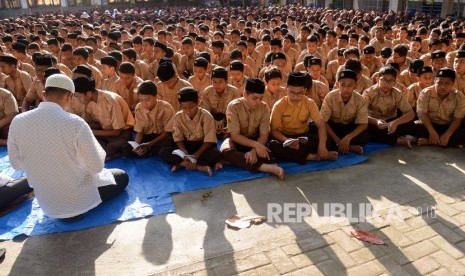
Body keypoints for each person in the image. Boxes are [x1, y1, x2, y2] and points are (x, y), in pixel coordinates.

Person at [7, 74, 128, 221]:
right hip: (78, 200)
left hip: (48, 204)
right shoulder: (75, 123)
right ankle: (77, 209)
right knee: (121, 176)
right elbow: (96, 166)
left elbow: (16, 164)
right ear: (70, 97)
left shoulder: (18, 121)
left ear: (44, 95)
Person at [220, 78, 284, 179]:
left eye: (261, 98)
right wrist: (256, 146)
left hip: (255, 139)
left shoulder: (264, 108)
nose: (258, 102)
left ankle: (241, 159)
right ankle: (266, 168)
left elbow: (264, 134)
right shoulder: (233, 107)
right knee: (226, 152)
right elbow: (235, 135)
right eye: (254, 98)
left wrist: (254, 150)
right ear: (245, 95)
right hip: (237, 140)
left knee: (269, 155)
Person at [269, 72, 338, 164]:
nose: (296, 96)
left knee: (327, 141)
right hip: (285, 137)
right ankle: (313, 157)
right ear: (286, 89)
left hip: (303, 137)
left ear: (305, 91)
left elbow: (321, 125)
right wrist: (287, 140)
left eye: (300, 93)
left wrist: (322, 146)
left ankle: (304, 154)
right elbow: (274, 131)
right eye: (292, 92)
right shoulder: (279, 106)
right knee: (273, 146)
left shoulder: (310, 103)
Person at [159, 87, 221, 176]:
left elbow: (209, 140)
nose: (188, 111)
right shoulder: (178, 116)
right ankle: (196, 166)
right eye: (184, 108)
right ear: (180, 106)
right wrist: (183, 150)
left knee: (216, 154)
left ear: (198, 103)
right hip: (187, 146)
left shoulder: (206, 116)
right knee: (163, 151)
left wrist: (196, 155)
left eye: (191, 107)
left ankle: (182, 164)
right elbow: (178, 137)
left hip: (202, 146)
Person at [72, 76, 135, 160]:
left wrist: (91, 132)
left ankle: (118, 147)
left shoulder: (110, 101)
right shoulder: (90, 101)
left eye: (78, 96)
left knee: (108, 149)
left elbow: (117, 132)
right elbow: (98, 123)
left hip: (122, 132)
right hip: (105, 130)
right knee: (83, 138)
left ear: (88, 94)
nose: (78, 100)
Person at [320, 70, 369, 154]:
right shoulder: (330, 97)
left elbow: (364, 124)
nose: (346, 89)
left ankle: (341, 146)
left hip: (349, 127)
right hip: (333, 127)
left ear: (355, 86)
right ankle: (349, 147)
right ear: (337, 84)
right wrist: (337, 140)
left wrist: (348, 137)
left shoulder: (360, 100)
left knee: (365, 137)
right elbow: (323, 121)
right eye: (343, 85)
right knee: (324, 140)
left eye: (350, 85)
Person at [122, 80, 176, 158]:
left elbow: (167, 133)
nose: (144, 103)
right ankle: (145, 151)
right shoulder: (139, 108)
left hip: (161, 137)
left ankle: (147, 150)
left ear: (156, 96)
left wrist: (149, 144)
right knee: (126, 148)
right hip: (147, 136)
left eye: (147, 100)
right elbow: (139, 132)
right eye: (141, 100)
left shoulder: (166, 108)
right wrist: (136, 146)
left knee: (166, 146)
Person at [414, 68, 465, 147]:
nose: (442, 87)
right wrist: (432, 131)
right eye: (439, 83)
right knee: (411, 127)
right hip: (430, 125)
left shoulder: (459, 96)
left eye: (447, 83)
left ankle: (429, 141)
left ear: (453, 84)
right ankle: (447, 143)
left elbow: (458, 118)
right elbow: (421, 113)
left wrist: (447, 134)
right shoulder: (426, 93)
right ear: (434, 82)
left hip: (449, 126)